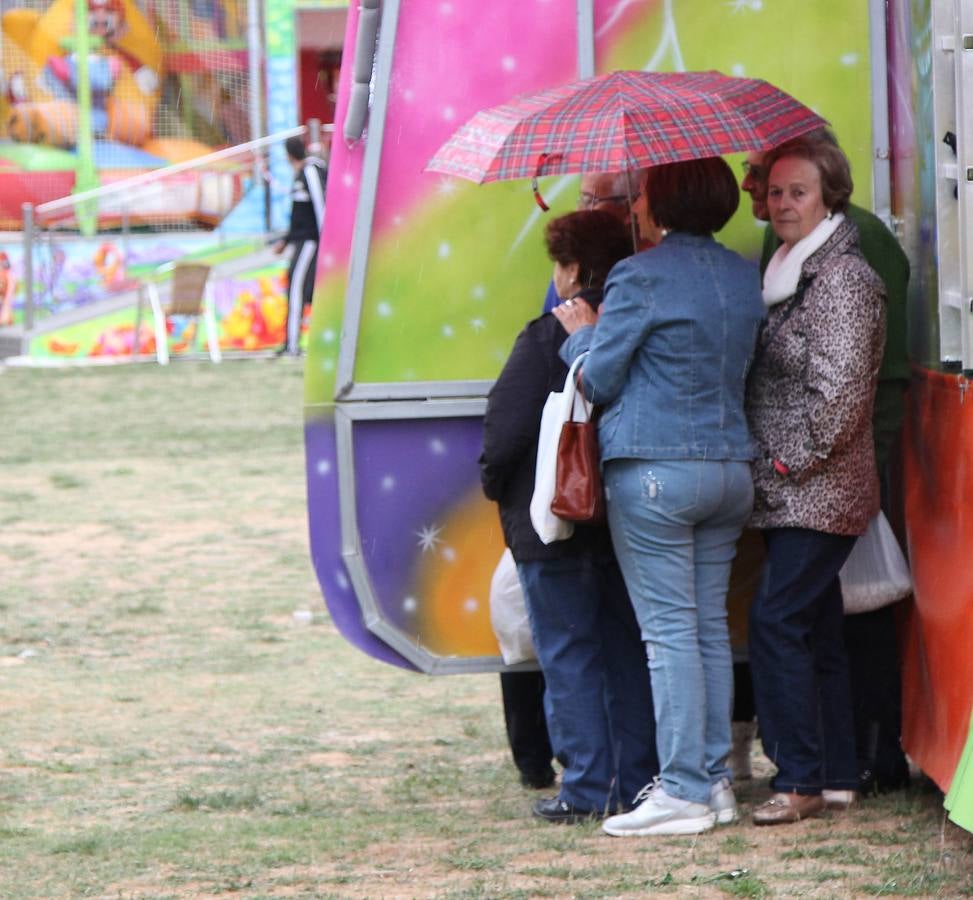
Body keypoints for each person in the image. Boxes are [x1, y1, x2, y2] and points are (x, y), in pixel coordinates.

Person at [555, 157, 765, 836]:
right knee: (705, 629)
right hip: (728, 469)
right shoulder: (741, 274)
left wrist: (580, 335)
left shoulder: (639, 276)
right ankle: (713, 782)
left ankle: (680, 789)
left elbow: (601, 378)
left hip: (654, 470)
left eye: (641, 193)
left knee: (668, 633)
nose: (634, 204)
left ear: (661, 204)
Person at [739, 132, 911, 794]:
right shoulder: (789, 264)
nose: (781, 203)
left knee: (775, 620)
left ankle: (799, 779)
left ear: (829, 195)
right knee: (816, 625)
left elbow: (840, 395)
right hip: (792, 488)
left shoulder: (841, 276)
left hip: (816, 487)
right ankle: (836, 773)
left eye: (797, 192)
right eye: (775, 191)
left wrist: (789, 466)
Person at [480, 209, 658, 824]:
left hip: (551, 521)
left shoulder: (547, 334)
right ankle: (638, 779)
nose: (555, 277)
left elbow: (504, 430)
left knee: (568, 653)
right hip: (622, 515)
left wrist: (492, 482)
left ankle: (586, 787)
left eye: (560, 263)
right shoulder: (640, 325)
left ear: (577, 268)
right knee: (626, 649)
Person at [541, 170, 649, 313]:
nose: (579, 211)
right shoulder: (571, 271)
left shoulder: (655, 268)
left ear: (629, 207)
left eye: (589, 201)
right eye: (580, 200)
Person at [274, 135, 327, 356]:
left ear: (288, 155)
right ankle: (291, 343)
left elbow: (320, 207)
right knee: (297, 288)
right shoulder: (300, 176)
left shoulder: (310, 172)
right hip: (301, 241)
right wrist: (286, 241)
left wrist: (327, 241)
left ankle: (293, 345)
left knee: (297, 288)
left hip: (311, 242)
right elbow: (299, 216)